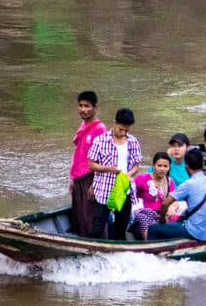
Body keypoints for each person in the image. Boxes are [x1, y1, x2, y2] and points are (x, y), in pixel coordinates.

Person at [87, 107, 143, 240]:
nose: (123, 133)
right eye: (121, 129)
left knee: (121, 226)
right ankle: (92, 249)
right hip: (104, 190)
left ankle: (117, 247)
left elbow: (136, 166)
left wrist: (129, 174)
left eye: (126, 130)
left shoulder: (133, 142)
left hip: (123, 189)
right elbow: (91, 165)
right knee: (97, 227)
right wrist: (108, 168)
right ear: (115, 123)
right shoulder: (100, 141)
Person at [148, 149, 206, 241]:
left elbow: (165, 203)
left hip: (193, 232)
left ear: (186, 167)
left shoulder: (189, 184)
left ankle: (156, 249)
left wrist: (162, 220)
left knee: (153, 229)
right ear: (203, 164)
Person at [69, 90, 107, 237]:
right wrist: (72, 178)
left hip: (90, 177)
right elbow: (78, 153)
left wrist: (95, 184)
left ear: (95, 108)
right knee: (79, 216)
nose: (83, 109)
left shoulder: (100, 129)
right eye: (80, 105)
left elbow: (104, 158)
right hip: (78, 177)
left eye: (87, 106)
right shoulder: (83, 125)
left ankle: (97, 245)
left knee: (90, 216)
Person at [131, 151, 175, 240]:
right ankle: (149, 242)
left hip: (162, 213)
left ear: (169, 167)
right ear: (153, 166)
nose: (162, 169)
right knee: (143, 218)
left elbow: (173, 200)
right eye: (159, 166)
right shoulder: (142, 179)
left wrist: (171, 208)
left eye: (165, 166)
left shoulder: (169, 181)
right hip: (144, 213)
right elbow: (130, 194)